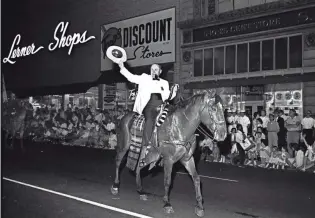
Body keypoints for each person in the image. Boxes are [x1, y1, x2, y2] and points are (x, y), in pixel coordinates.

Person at [117, 61, 178, 152]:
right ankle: (146, 145)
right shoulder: (144, 77)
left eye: (156, 69)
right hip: (148, 105)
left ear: (160, 71)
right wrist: (122, 68)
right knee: (150, 119)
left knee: (174, 117)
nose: (153, 71)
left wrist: (174, 92)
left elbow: (167, 96)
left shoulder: (164, 82)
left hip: (161, 104)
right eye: (152, 69)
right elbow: (131, 77)